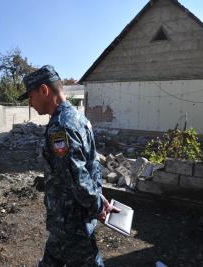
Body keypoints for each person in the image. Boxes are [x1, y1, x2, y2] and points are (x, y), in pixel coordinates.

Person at [19, 65, 120, 267]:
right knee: (52, 260)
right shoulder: (78, 118)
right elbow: (89, 166)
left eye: (30, 96)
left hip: (71, 221)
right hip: (66, 218)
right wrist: (99, 197)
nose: (30, 103)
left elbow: (76, 178)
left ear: (44, 90)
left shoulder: (60, 127)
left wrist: (98, 206)